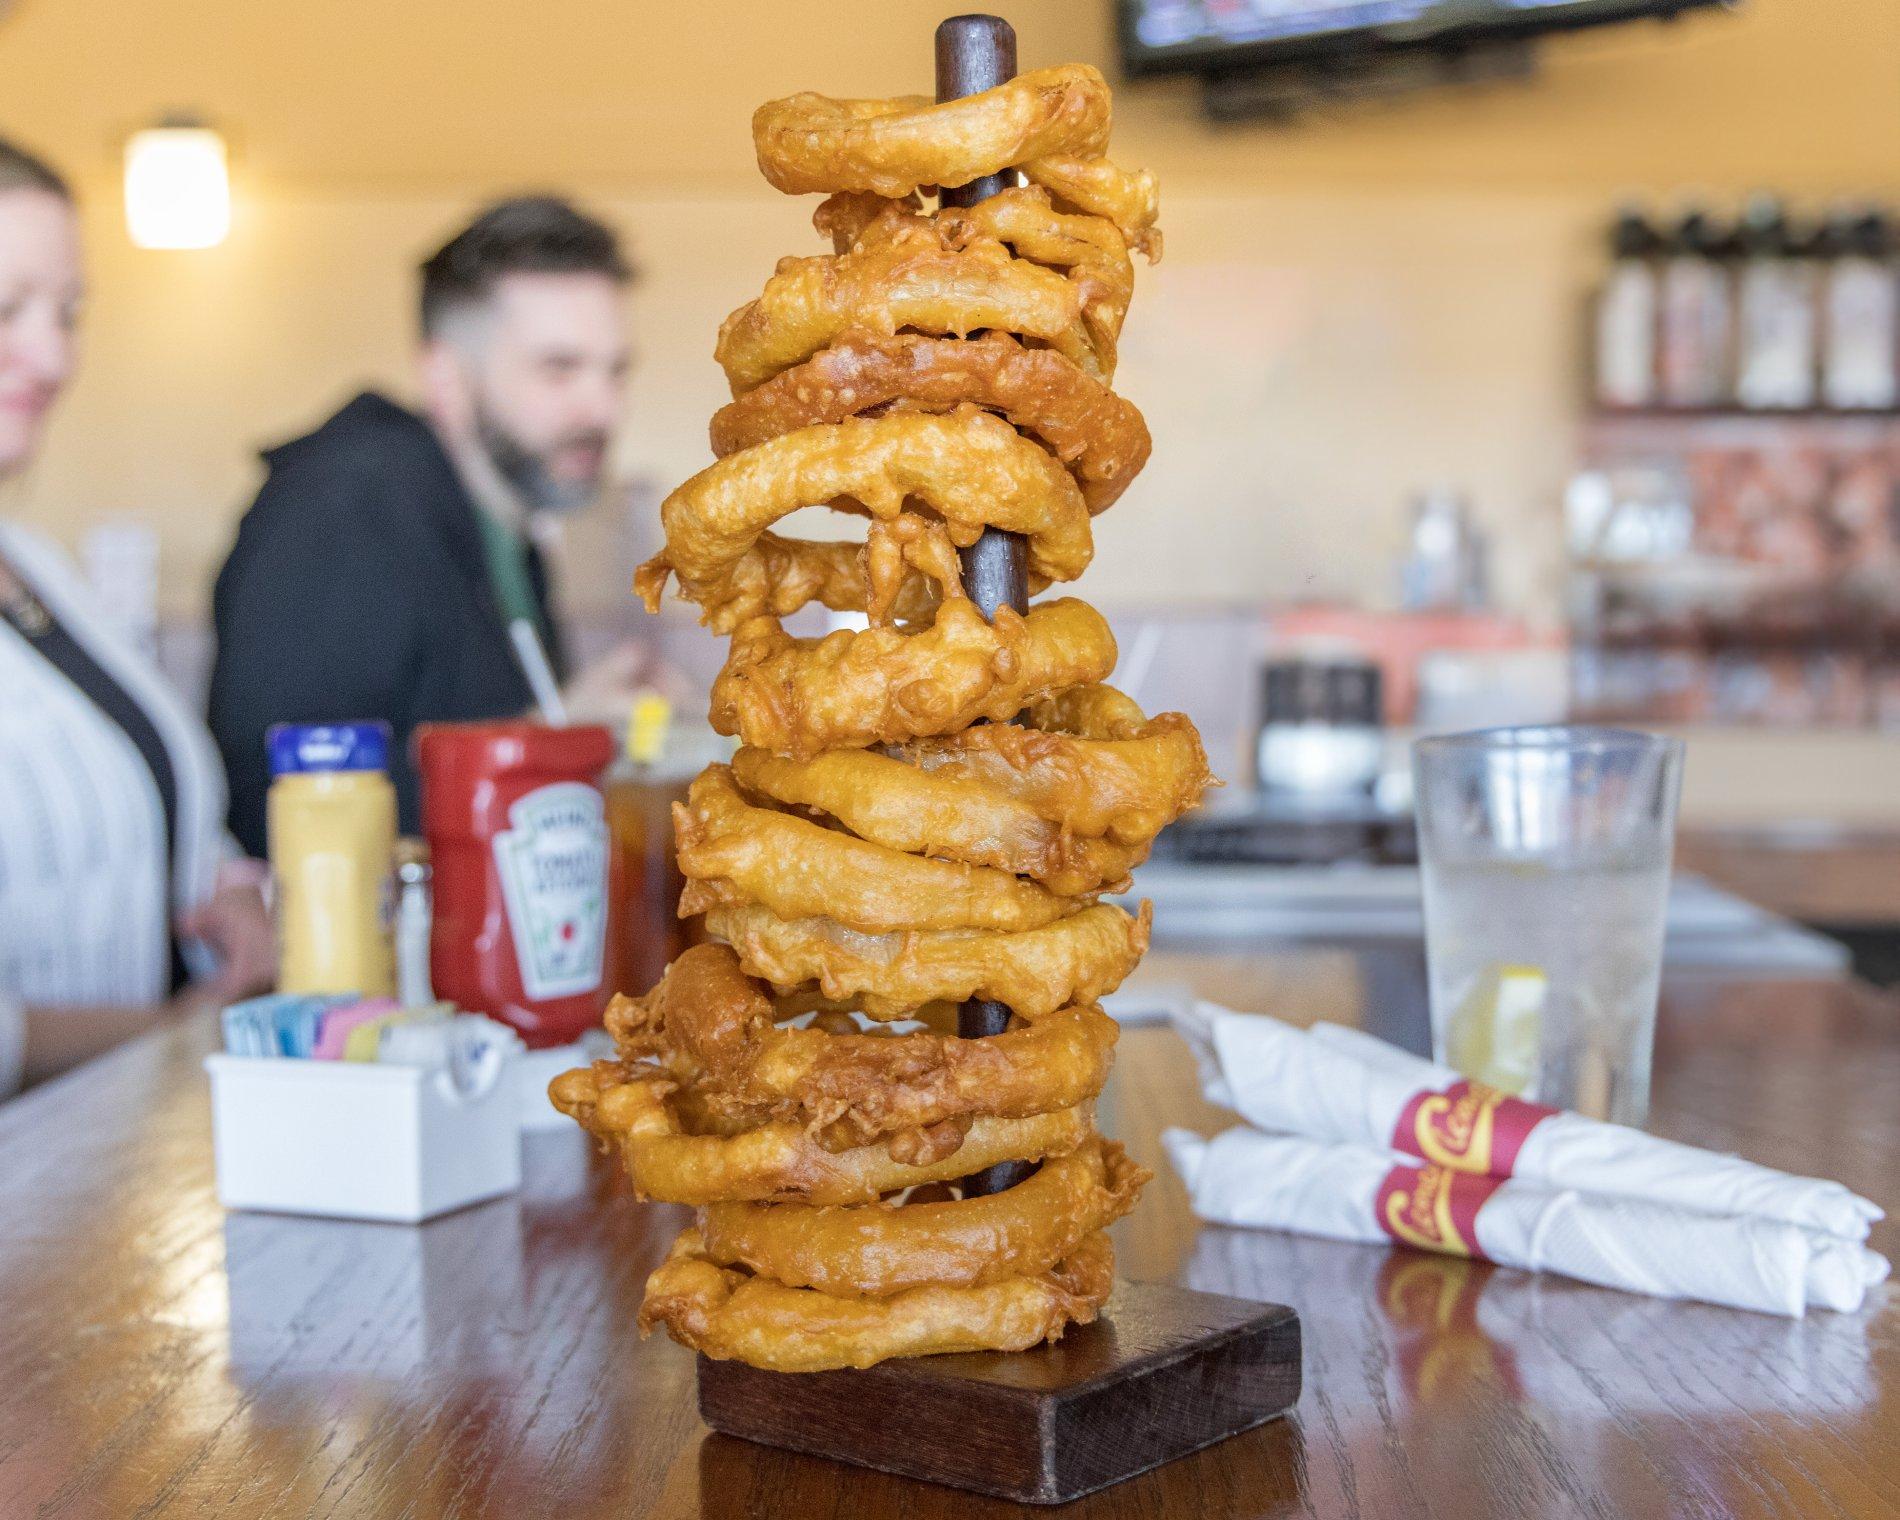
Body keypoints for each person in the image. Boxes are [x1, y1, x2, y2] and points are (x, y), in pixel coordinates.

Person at [209, 196, 651, 856]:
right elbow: (272, 800)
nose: (602, 407)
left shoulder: (511, 529)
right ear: (443, 376)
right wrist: (548, 738)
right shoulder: (343, 506)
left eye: (615, 370)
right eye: (559, 368)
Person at [0, 137, 275, 1094]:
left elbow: (142, 792)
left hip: (110, 1169)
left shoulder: (35, 566)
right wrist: (168, 1032)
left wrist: (229, 895)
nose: (55, 353)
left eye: (68, 313)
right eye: (8, 309)